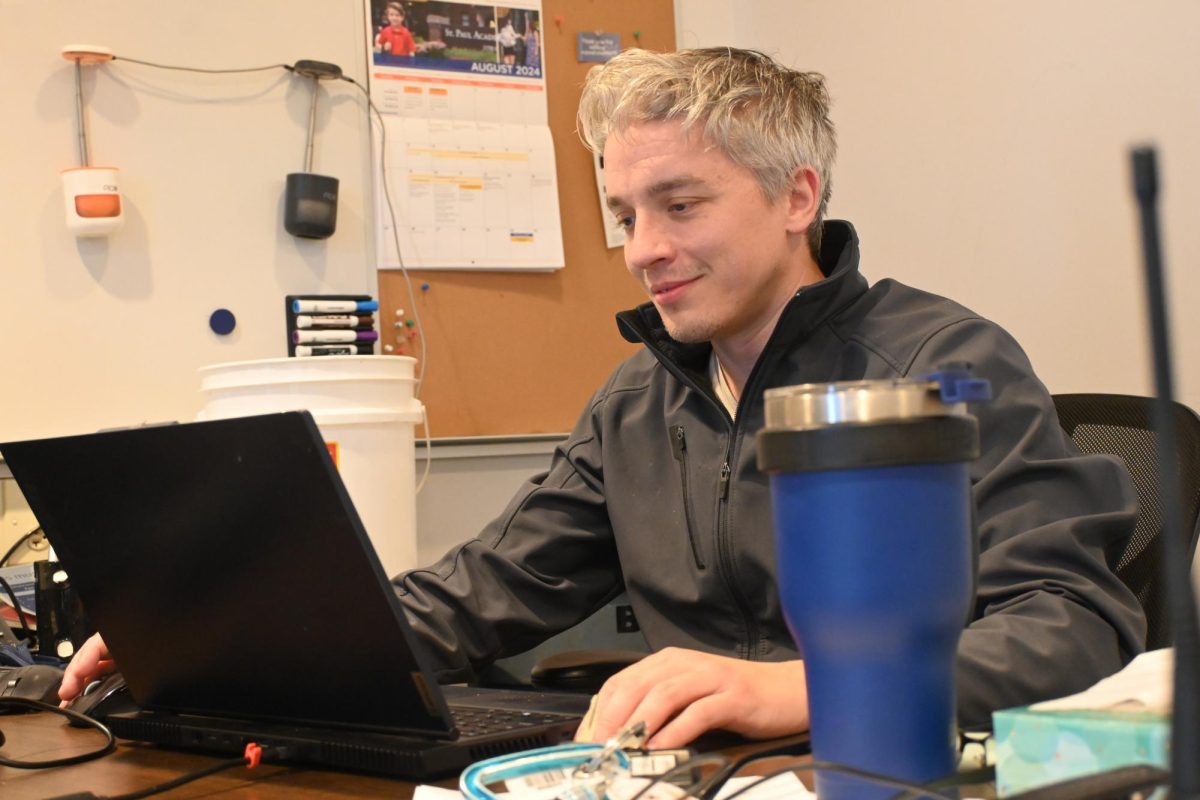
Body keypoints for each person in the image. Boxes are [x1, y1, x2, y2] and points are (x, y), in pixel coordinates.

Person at [60, 47, 1146, 751]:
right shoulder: (639, 396)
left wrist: (805, 687)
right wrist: (222, 636)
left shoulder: (946, 362)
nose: (645, 250)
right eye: (625, 213)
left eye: (680, 203)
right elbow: (482, 592)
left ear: (796, 196)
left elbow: (1078, 623)